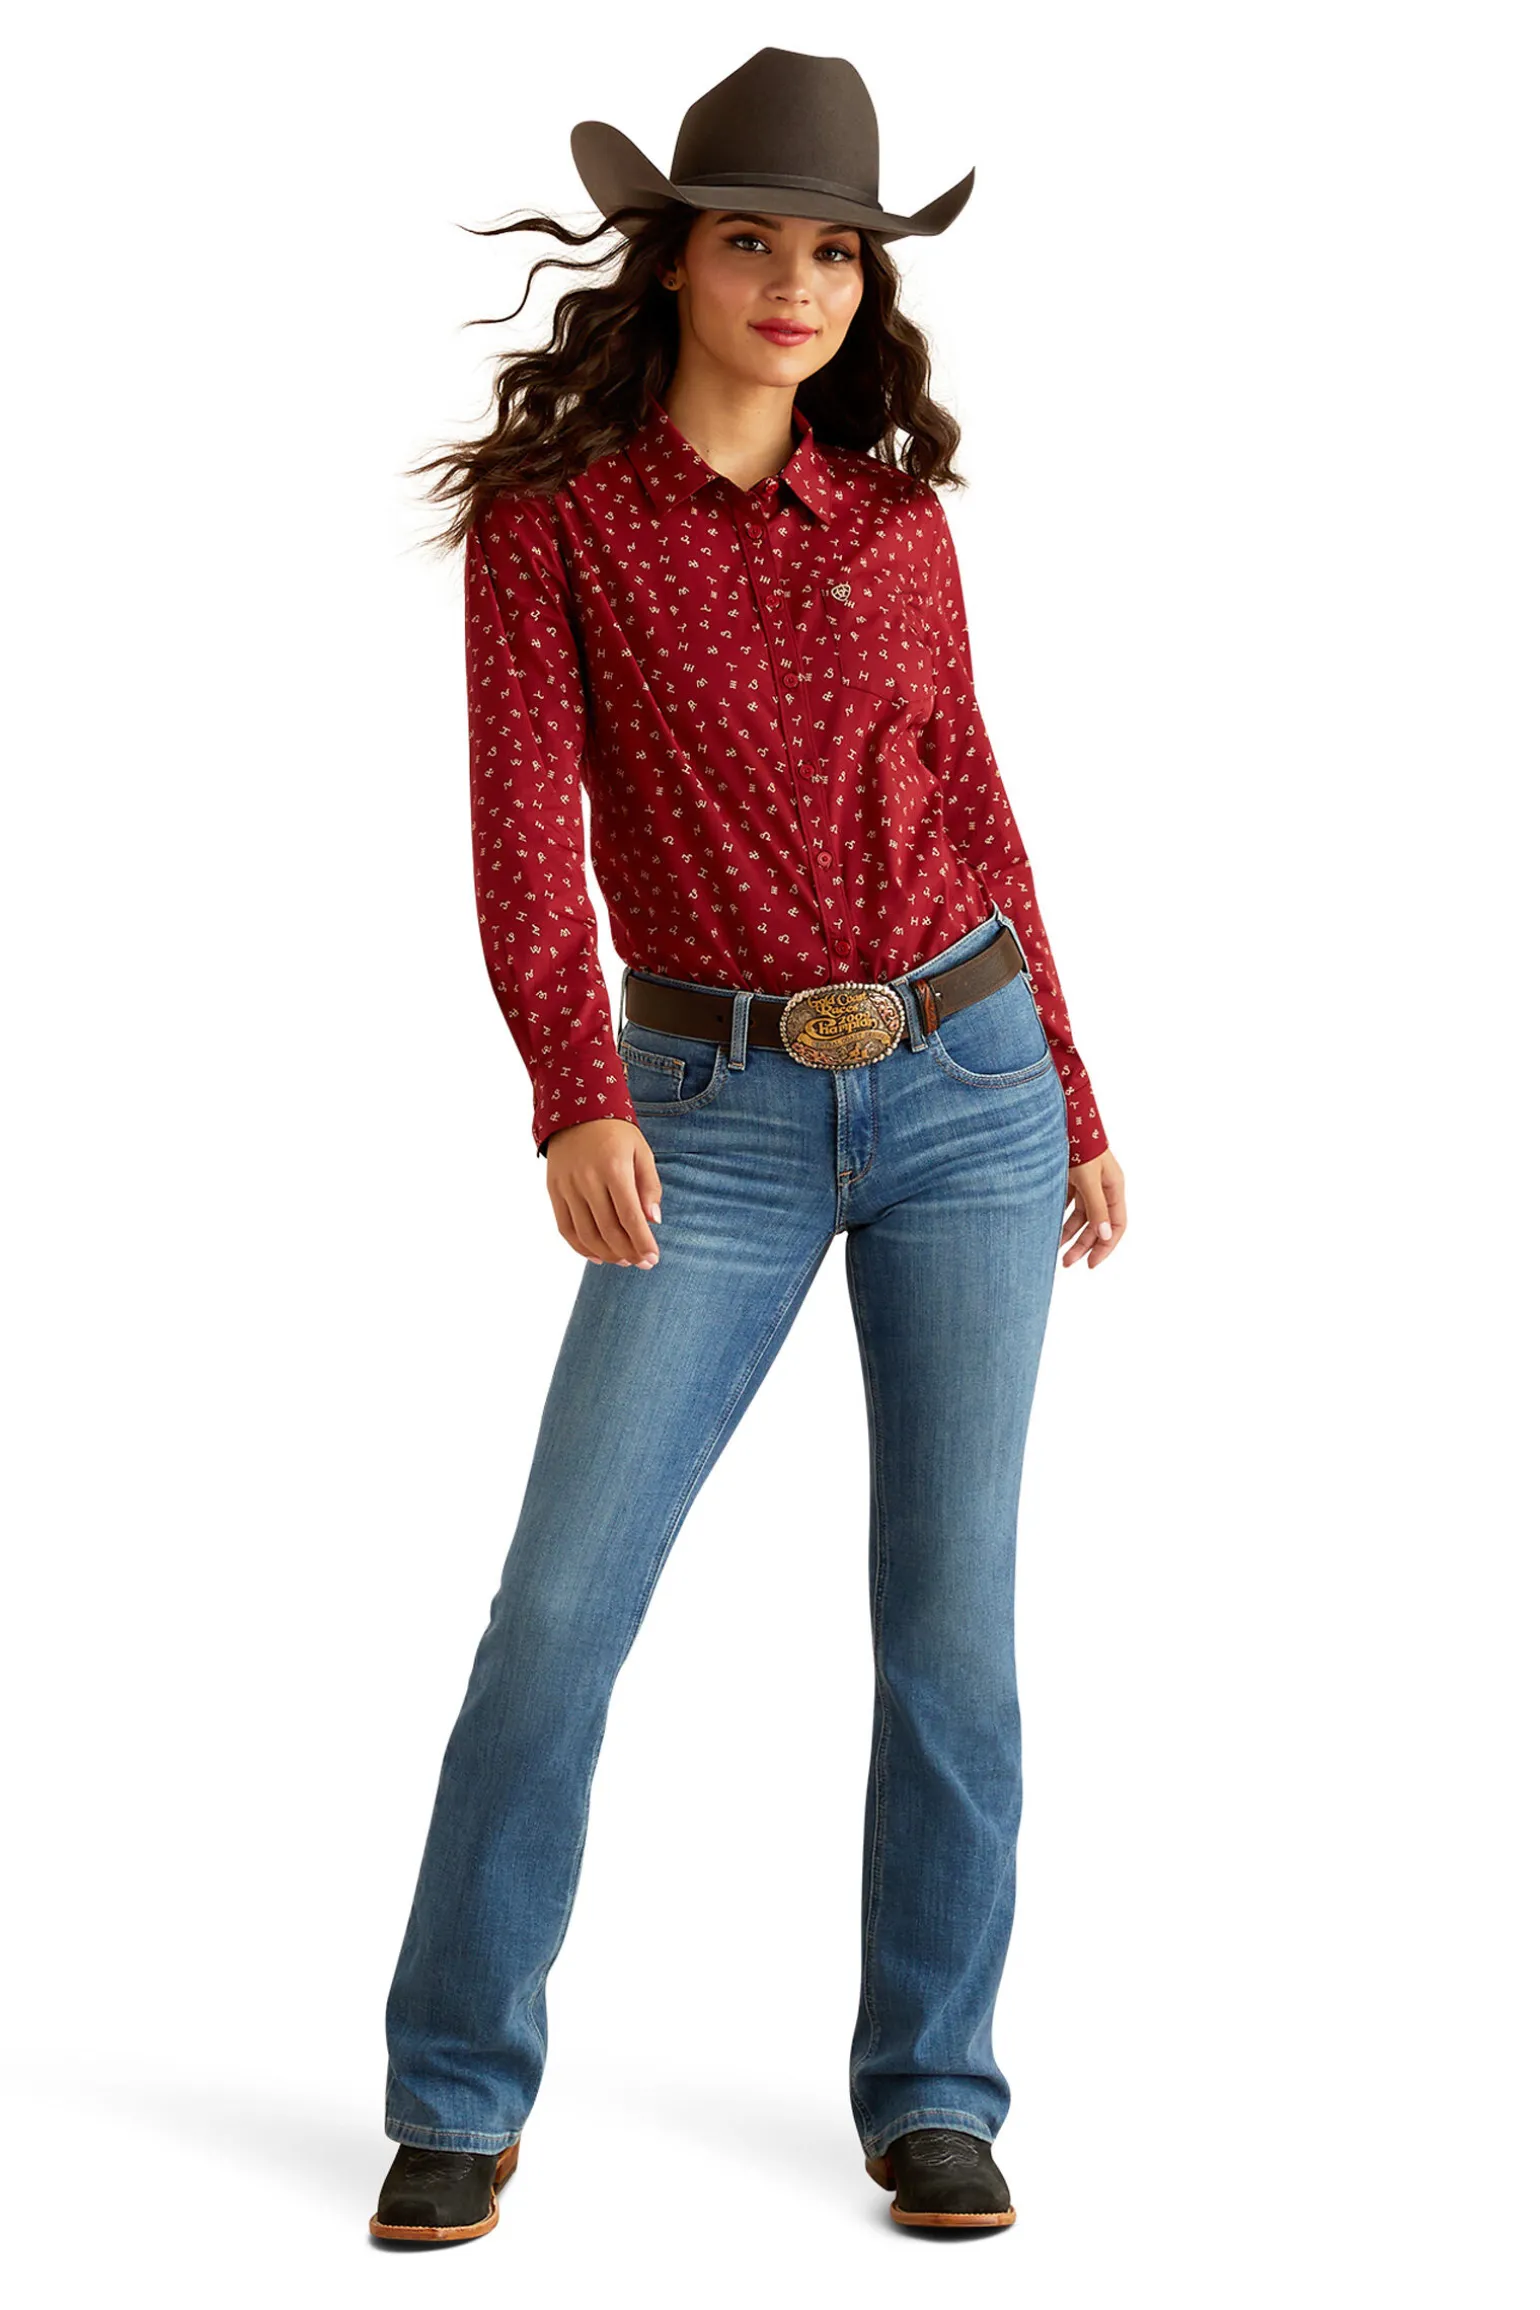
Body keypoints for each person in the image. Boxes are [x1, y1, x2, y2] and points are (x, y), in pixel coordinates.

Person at [371, 46, 1127, 2246]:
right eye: (752, 240)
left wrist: (1073, 1093)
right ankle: (455, 2082)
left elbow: (975, 804)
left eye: (835, 251)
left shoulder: (894, 527)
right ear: (674, 263)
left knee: (951, 1625)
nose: (798, 282)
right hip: (704, 1115)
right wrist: (572, 1085)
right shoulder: (557, 530)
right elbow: (523, 836)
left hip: (967, 1089)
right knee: (558, 1610)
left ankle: (933, 2088)